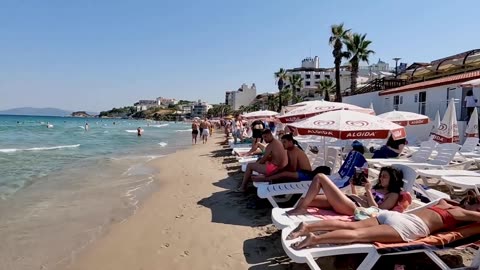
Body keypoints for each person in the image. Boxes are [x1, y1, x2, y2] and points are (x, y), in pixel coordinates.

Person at [288, 191, 480, 250]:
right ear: (472, 206)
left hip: (399, 216)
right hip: (410, 227)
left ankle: (307, 226)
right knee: (357, 235)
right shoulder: (462, 213)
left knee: (350, 225)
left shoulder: (446, 204)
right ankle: (314, 239)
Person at [287, 165, 403, 215]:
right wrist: (353, 186)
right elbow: (359, 197)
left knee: (320, 177)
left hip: (355, 207)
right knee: (304, 200)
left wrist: (368, 191)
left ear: (393, 179)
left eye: (384, 176)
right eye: (381, 176)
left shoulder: (393, 195)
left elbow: (378, 212)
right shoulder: (379, 188)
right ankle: (300, 209)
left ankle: (301, 210)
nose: (381, 178)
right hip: (349, 200)